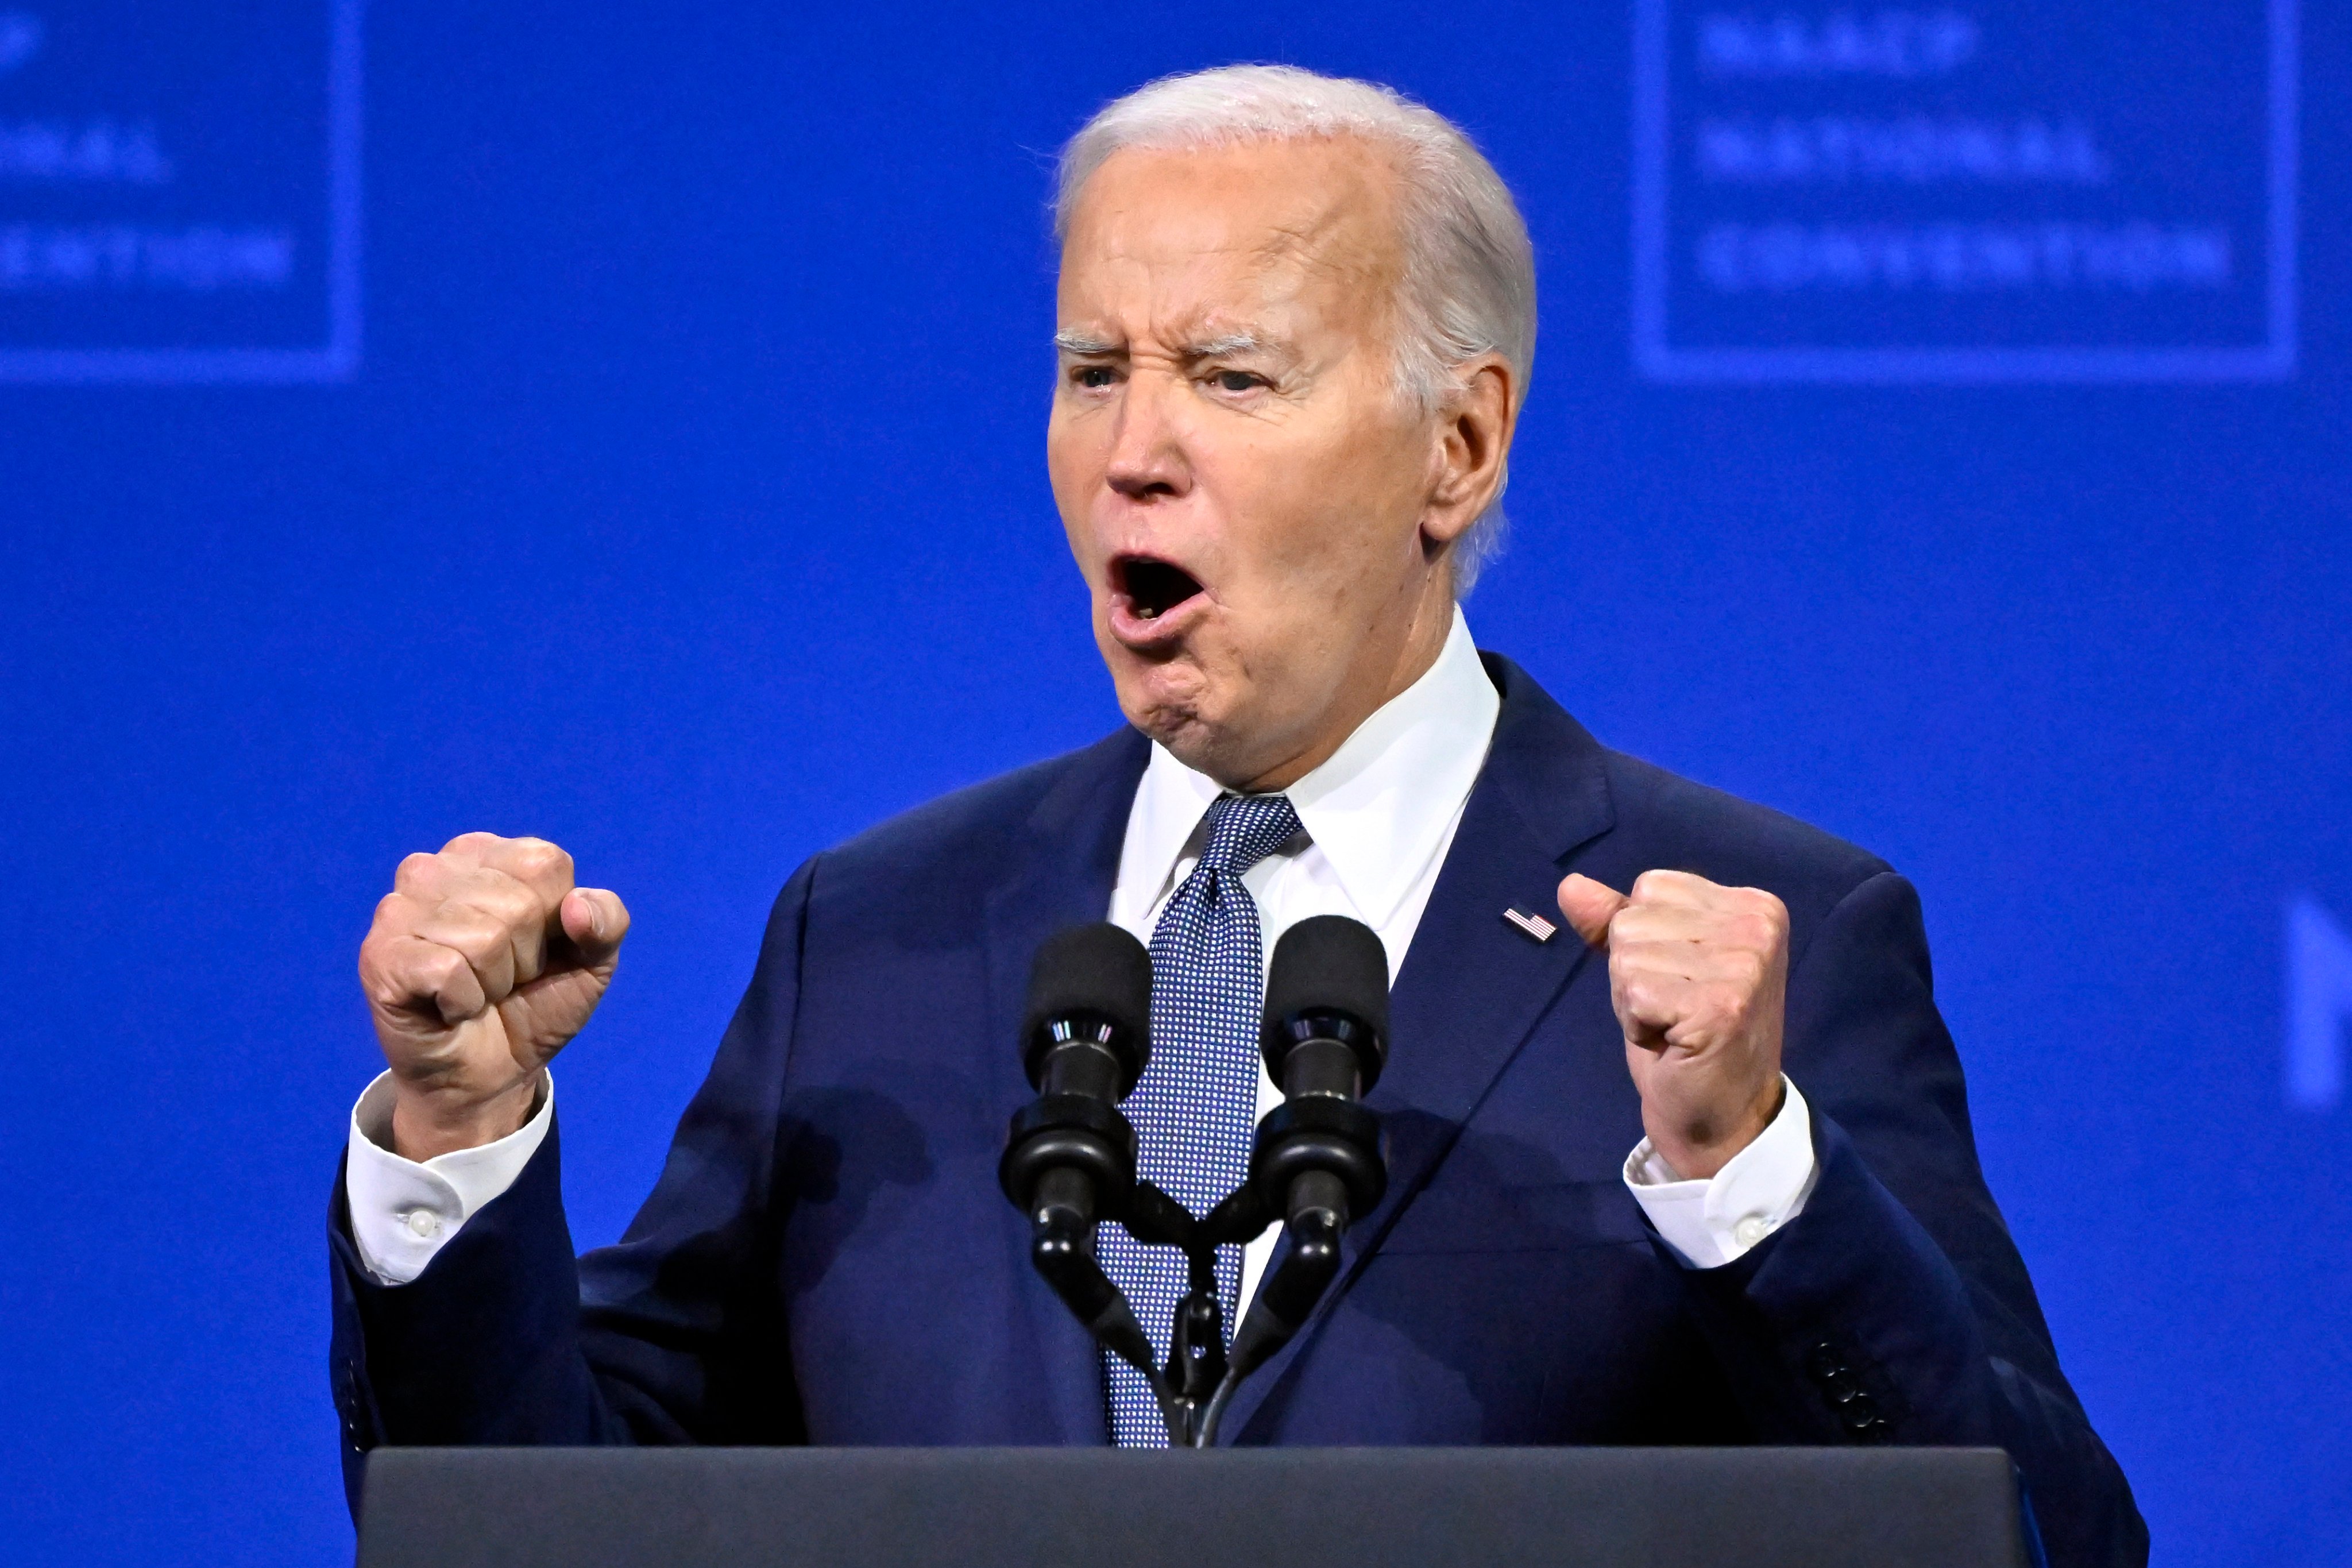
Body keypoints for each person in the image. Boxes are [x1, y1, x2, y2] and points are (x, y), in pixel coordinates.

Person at [330, 65, 2145, 1565]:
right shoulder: (870, 932)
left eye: (1229, 374)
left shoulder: (1763, 937)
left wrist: (1755, 1171)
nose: (1133, 448)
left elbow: (2038, 1539)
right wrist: (462, 1137)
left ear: (1461, 447)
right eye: (1094, 370)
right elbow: (537, 1530)